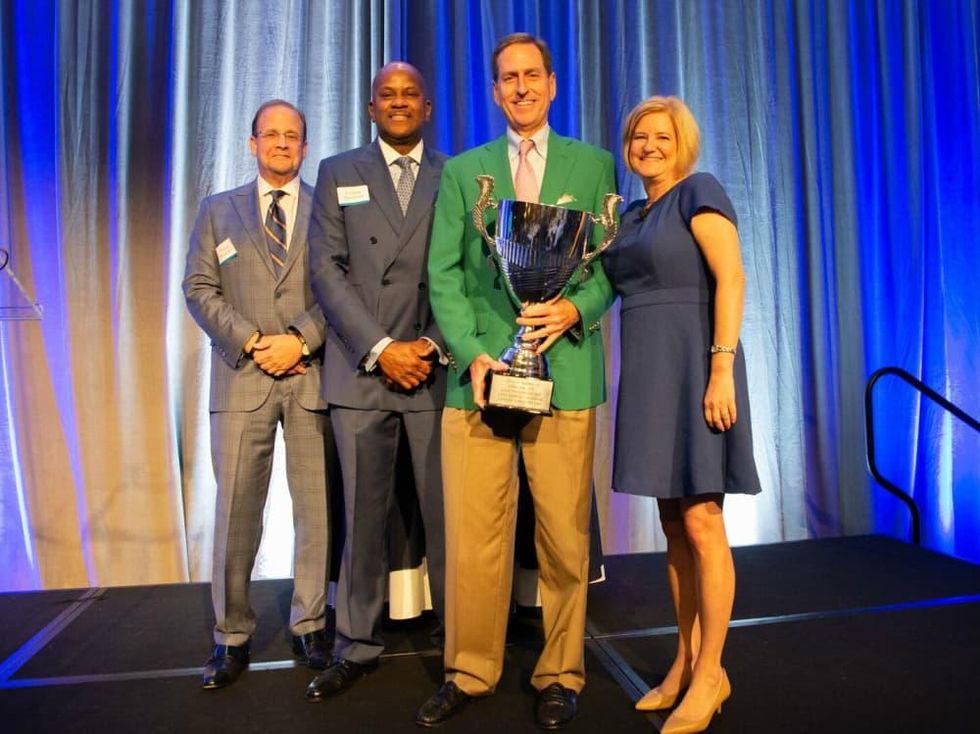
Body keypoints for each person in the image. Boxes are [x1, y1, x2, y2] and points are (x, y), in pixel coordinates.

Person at [416, 33, 617, 730]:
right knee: (473, 539)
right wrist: (471, 351)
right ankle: (469, 669)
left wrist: (575, 307)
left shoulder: (593, 166)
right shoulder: (463, 172)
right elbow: (443, 272)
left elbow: (607, 272)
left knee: (564, 538)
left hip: (564, 377)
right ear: (495, 91)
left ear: (552, 84)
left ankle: (560, 673)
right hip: (480, 382)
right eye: (509, 78)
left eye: (533, 75)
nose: (522, 87)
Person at [602, 96, 762, 733]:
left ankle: (712, 673)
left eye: (660, 136)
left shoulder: (700, 190)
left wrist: (721, 367)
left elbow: (733, 278)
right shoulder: (632, 213)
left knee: (702, 519)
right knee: (672, 522)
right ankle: (685, 661)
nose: (648, 145)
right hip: (649, 374)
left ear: (682, 141)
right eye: (638, 137)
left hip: (698, 368)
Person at [304, 62, 449, 700]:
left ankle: (461, 642)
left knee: (448, 519)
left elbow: (467, 274)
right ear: (371, 108)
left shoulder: (456, 174)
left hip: (433, 370)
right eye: (386, 95)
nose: (398, 103)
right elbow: (326, 272)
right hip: (363, 370)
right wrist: (382, 347)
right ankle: (355, 644)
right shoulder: (338, 172)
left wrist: (431, 346)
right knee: (361, 520)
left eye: (409, 94)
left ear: (426, 106)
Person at [183, 100, 337, 689]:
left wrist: (300, 341)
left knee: (317, 512)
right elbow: (198, 287)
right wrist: (252, 341)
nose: (280, 143)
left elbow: (344, 288)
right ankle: (231, 637)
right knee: (235, 514)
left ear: (304, 145)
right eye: (270, 134)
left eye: (292, 135)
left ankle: (310, 625)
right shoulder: (217, 210)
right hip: (242, 379)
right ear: (252, 143)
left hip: (311, 378)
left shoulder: (329, 207)